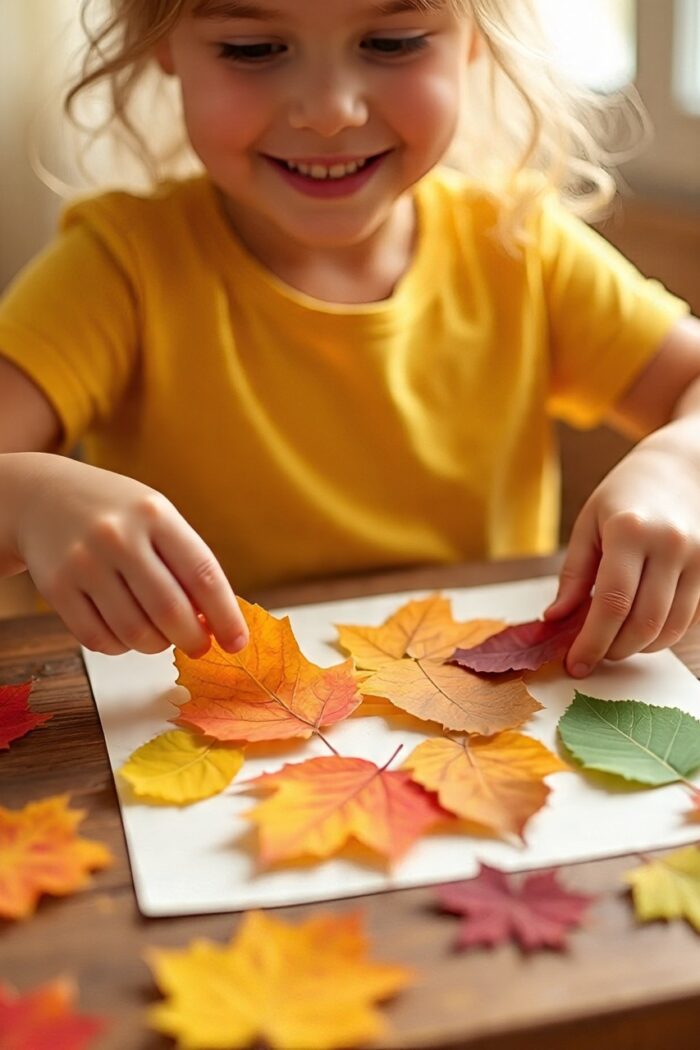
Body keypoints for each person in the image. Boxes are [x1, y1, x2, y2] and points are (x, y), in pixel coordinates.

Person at [1, 0, 699, 678]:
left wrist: (680, 465)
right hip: (197, 728)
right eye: (253, 49)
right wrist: (27, 499)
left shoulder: (519, 248)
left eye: (392, 42)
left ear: (474, 37)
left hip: (481, 711)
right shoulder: (121, 268)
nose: (331, 110)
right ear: (162, 41)